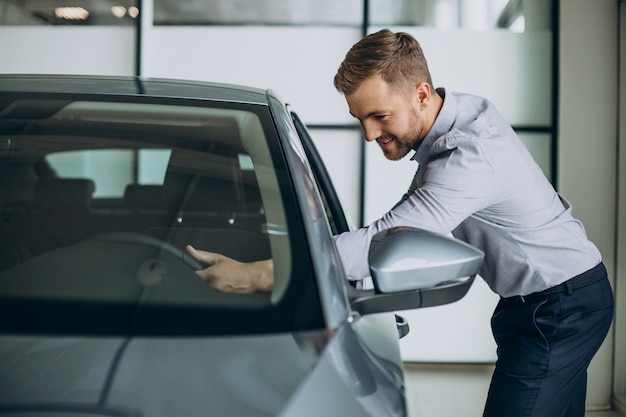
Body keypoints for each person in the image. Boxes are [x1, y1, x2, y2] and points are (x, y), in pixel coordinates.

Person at [186, 29, 614, 417]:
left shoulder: (469, 158)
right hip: (545, 301)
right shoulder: (454, 121)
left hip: (560, 307)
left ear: (422, 94)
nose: (370, 134)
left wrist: (258, 274)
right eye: (361, 119)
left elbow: (384, 241)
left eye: (380, 116)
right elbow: (395, 230)